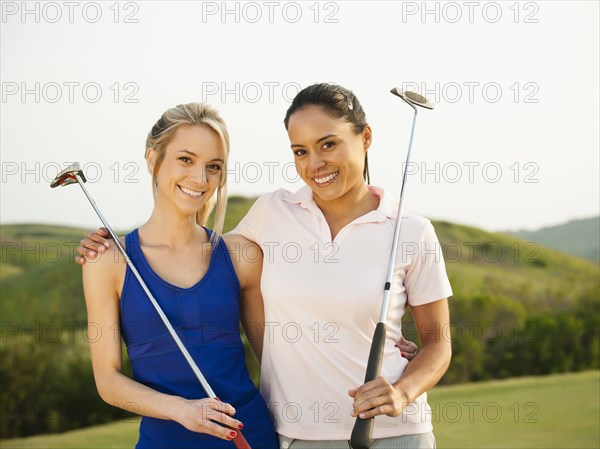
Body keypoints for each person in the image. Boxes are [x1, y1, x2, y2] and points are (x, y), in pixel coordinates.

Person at [77, 84, 452, 449]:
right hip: (292, 436)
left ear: (365, 137)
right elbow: (109, 377)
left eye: (329, 143)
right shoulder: (273, 213)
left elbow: (438, 343)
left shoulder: (412, 231)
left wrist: (399, 379)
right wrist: (107, 245)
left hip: (374, 434)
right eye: (300, 151)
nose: (315, 162)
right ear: (152, 160)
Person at [80, 102, 278, 449]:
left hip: (250, 438)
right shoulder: (108, 262)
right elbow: (108, 380)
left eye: (213, 167)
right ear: (152, 159)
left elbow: (278, 361)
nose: (200, 179)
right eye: (185, 159)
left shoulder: (240, 255)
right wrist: (181, 410)